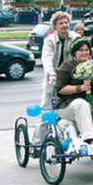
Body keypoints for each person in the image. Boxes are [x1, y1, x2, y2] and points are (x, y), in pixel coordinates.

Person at [32, 11, 80, 147]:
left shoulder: (75, 38)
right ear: (55, 26)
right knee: (46, 112)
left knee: (72, 110)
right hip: (52, 81)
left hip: (70, 81)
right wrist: (51, 73)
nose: (64, 25)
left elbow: (82, 54)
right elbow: (46, 57)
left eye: (66, 22)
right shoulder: (50, 40)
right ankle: (36, 144)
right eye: (61, 23)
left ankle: (72, 141)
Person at [55, 37, 93, 145]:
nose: (84, 53)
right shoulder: (66, 66)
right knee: (81, 103)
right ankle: (88, 138)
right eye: (81, 50)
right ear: (74, 53)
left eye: (86, 50)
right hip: (67, 106)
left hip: (91, 104)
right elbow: (60, 89)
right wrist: (79, 88)